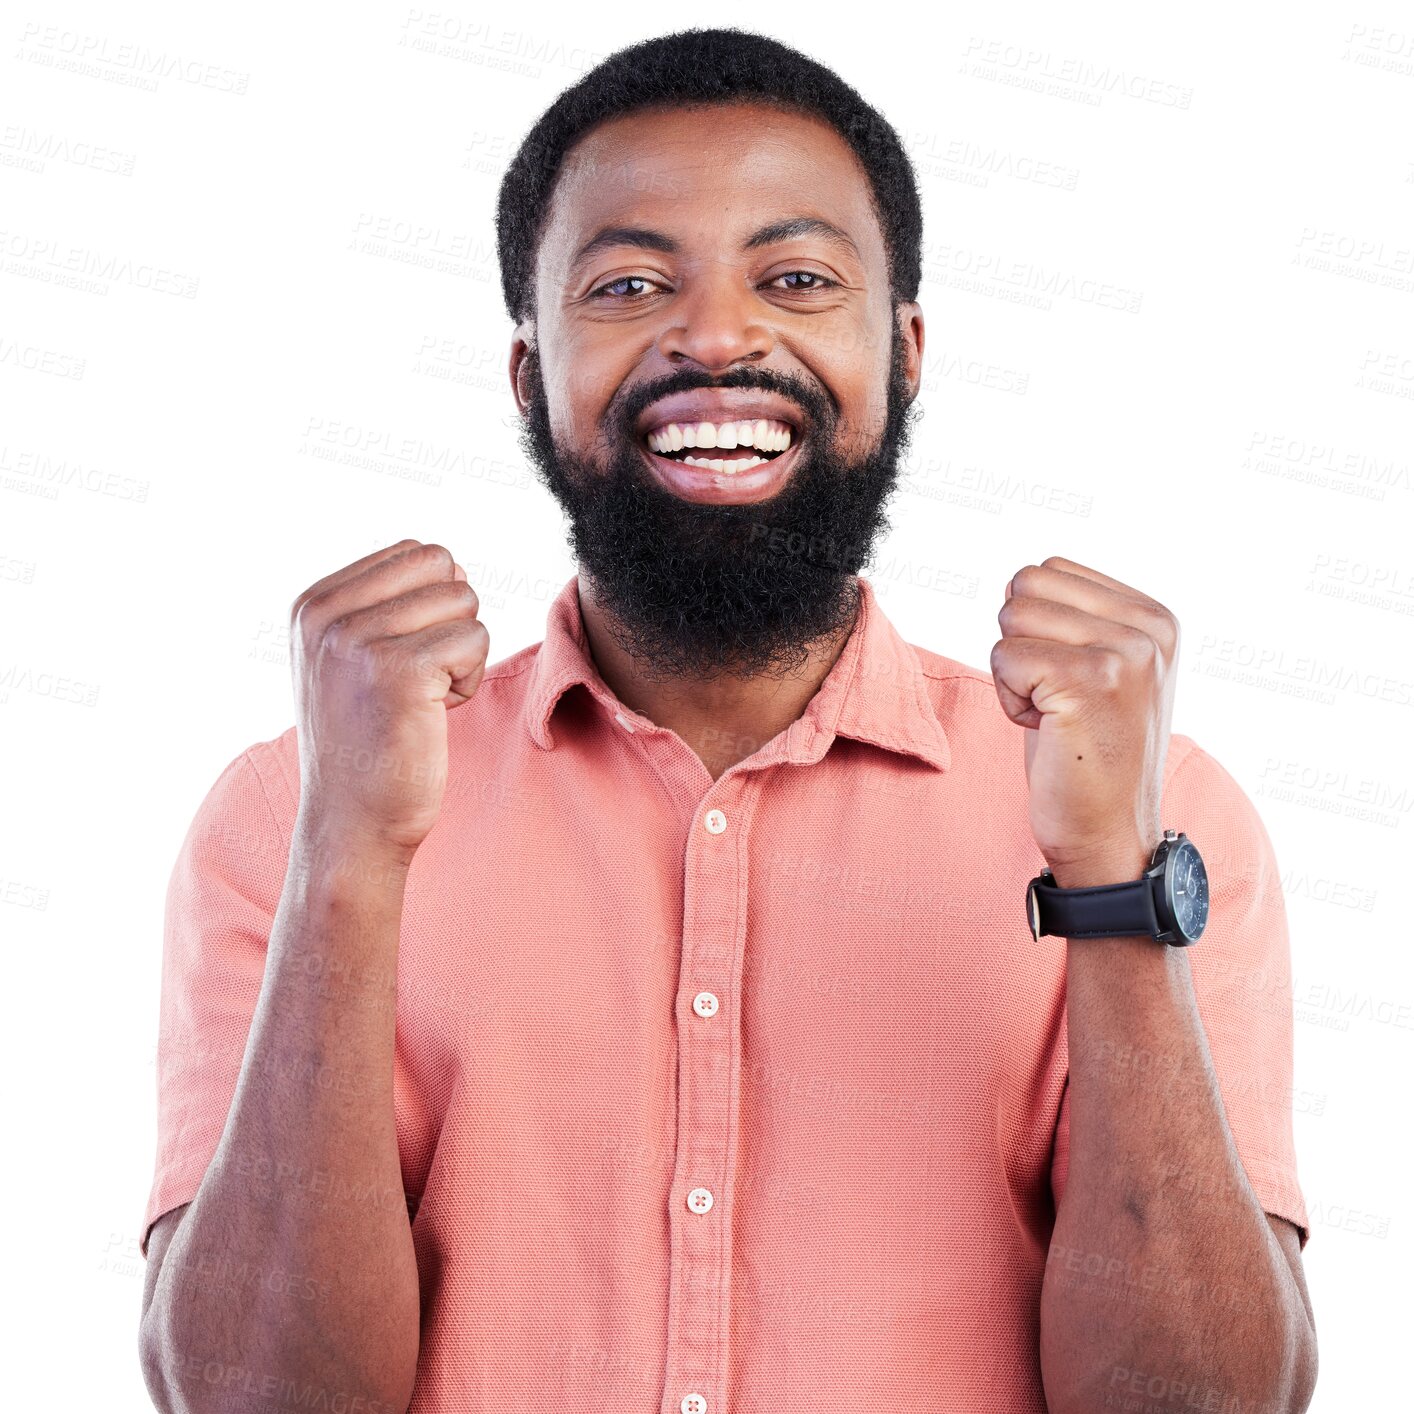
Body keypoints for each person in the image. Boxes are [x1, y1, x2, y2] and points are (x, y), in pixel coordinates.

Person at [138, 26, 1316, 1414]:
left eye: (797, 278)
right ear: (530, 376)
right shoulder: (291, 809)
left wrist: (1109, 882)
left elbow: (1205, 1404)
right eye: (630, 283)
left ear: (905, 352)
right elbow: (250, 1399)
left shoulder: (1156, 809)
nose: (714, 335)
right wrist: (346, 854)